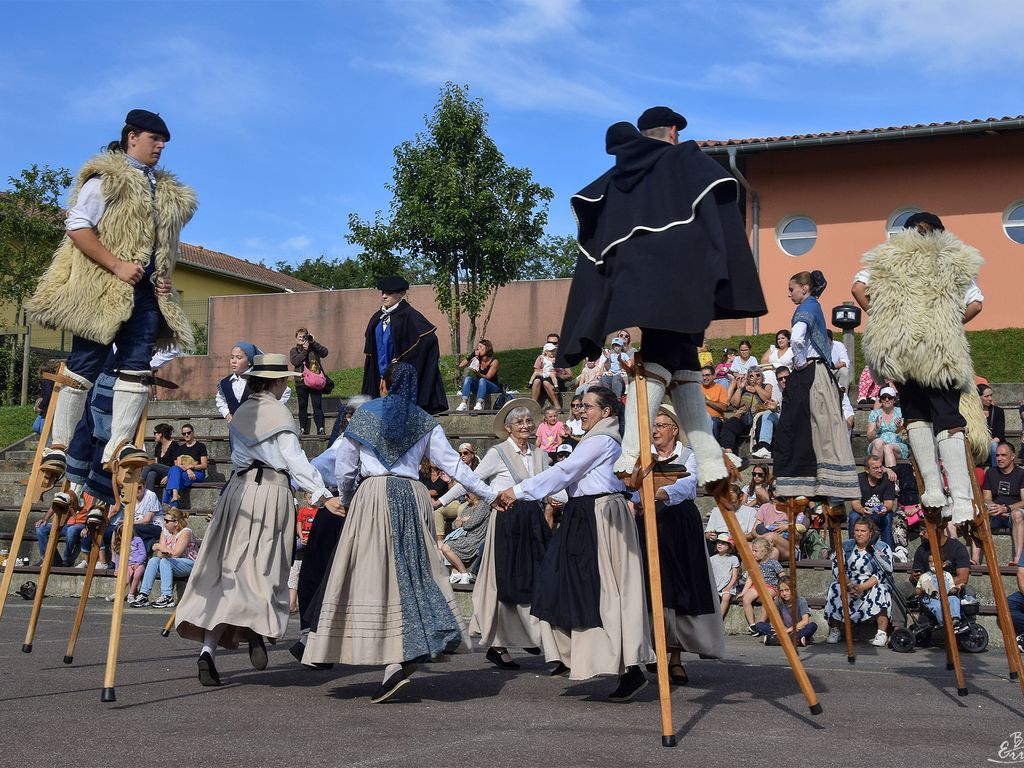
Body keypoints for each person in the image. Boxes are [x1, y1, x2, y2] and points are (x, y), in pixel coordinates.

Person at [556, 106, 766, 492]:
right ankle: (633, 451)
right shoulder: (683, 159)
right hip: (678, 284)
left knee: (683, 362)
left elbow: (598, 234)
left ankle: (706, 457)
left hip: (639, 285)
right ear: (672, 132)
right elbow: (715, 198)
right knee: (659, 359)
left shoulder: (618, 177)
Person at [302, 363, 495, 703]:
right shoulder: (423, 420)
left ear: (382, 384)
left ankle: (386, 657)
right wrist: (491, 494)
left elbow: (346, 468)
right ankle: (405, 653)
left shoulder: (364, 416)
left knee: (371, 577)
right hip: (412, 496)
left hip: (372, 496)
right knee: (412, 575)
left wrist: (348, 498)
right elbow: (453, 465)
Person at [29, 110, 196, 497]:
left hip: (148, 290)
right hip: (104, 289)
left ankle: (120, 444)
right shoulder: (108, 178)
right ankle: (58, 446)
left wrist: (164, 273)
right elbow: (76, 226)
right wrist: (117, 265)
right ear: (131, 137)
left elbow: (159, 247)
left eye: (164, 141)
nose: (160, 146)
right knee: (85, 364)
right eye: (154, 139)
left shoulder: (164, 190)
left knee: (136, 364)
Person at [175, 353, 342, 687]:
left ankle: (210, 649)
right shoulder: (278, 412)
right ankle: (255, 629)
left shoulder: (241, 413)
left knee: (228, 570)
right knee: (264, 570)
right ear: (278, 381)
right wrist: (323, 495)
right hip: (270, 493)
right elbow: (294, 461)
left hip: (237, 492)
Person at [494, 386, 655, 701]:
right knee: (574, 584)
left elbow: (566, 471)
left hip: (599, 516)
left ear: (606, 411)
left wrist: (518, 491)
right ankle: (587, 658)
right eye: (579, 405)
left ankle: (626, 666)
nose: (581, 411)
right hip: (586, 513)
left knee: (600, 590)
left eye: (588, 406)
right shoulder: (599, 439)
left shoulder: (601, 440)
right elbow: (576, 479)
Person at [854, 212, 987, 526]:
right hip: (939, 352)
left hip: (904, 352)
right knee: (949, 419)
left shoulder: (890, 257)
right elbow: (977, 303)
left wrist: (887, 322)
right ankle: (963, 500)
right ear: (939, 233)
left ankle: (933, 492)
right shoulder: (952, 258)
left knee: (916, 417)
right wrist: (949, 325)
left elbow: (858, 287)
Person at [433, 397, 561, 670]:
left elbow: (553, 484)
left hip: (534, 521)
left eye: (528, 421)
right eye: (519, 422)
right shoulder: (498, 453)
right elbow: (470, 480)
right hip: (506, 521)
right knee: (506, 583)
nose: (526, 426)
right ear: (508, 427)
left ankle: (546, 641)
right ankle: (499, 644)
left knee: (543, 579)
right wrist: (441, 502)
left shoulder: (540, 454)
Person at [635, 403, 726, 682]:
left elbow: (686, 486)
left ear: (674, 430)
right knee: (649, 588)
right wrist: (635, 499)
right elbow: (630, 487)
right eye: (653, 426)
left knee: (679, 588)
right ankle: (653, 648)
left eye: (661, 425)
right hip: (648, 523)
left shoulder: (689, 455)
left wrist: (655, 493)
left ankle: (675, 657)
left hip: (679, 527)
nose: (655, 431)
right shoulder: (643, 457)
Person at [772, 270, 859, 500]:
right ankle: (828, 486)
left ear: (804, 288)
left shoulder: (806, 308)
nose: (789, 294)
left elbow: (798, 338)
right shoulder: (814, 307)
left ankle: (807, 486)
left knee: (803, 426)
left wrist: (799, 363)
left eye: (791, 289)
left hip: (811, 374)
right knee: (824, 427)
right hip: (820, 374)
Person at [361, 275, 447, 415]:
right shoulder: (377, 317)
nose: (384, 296)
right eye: (383, 292)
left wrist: (402, 362)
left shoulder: (409, 315)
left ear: (401, 293)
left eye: (389, 293)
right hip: (379, 374)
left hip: (398, 377)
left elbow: (429, 339)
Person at [824, 518, 892, 648]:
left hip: (870, 584)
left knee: (881, 590)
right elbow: (837, 568)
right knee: (835, 588)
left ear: (870, 533)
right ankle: (835, 630)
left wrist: (862, 587)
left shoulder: (882, 547)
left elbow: (883, 572)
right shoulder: (846, 546)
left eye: (863, 531)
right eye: (857, 530)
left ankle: (882, 632)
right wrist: (849, 585)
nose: (859, 534)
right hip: (849, 583)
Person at [134, 507, 197, 608]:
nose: (164, 523)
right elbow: (159, 554)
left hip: (189, 563)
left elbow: (176, 554)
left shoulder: (186, 532)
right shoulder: (165, 531)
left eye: (167, 521)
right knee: (154, 560)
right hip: (171, 563)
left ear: (176, 522)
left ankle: (167, 596)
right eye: (164, 520)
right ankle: (144, 595)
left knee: (164, 561)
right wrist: (163, 550)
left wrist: (160, 547)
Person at [216, 340, 291, 422]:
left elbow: (284, 391)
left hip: (258, 425)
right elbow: (220, 399)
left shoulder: (258, 379)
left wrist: (270, 412)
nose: (234, 361)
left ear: (249, 361)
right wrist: (226, 413)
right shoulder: (225, 383)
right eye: (232, 357)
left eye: (239, 358)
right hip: (235, 427)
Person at [982, 440, 1024, 566]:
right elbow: (987, 498)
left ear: (1012, 457)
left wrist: (1006, 509)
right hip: (995, 513)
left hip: (1012, 513)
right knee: (979, 512)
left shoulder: (1021, 474)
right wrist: (992, 506)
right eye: (997, 455)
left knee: (1017, 514)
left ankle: (1017, 559)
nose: (999, 458)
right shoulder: (990, 473)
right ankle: (975, 558)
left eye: (1003, 455)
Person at [439, 492, 492, 585]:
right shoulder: (468, 507)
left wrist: (462, 521)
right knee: (440, 549)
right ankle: (457, 572)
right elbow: (454, 525)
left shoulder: (483, 505)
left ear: (476, 493)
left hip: (476, 537)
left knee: (445, 548)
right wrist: (464, 520)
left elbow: (470, 524)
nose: (465, 497)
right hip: (465, 536)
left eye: (468, 495)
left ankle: (463, 573)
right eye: (464, 495)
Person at [718, 368, 771, 455]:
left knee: (763, 421)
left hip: (758, 417)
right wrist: (739, 389)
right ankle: (728, 451)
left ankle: (760, 449)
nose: (755, 378)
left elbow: (766, 398)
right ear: (747, 378)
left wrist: (756, 386)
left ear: (762, 377)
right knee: (729, 424)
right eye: (751, 376)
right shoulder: (743, 387)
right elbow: (734, 404)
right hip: (741, 417)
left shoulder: (767, 386)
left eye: (758, 375)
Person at [915, 553, 970, 634]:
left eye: (935, 562)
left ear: (943, 564)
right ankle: (945, 624)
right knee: (938, 606)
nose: (932, 564)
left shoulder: (947, 575)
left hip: (945, 597)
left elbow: (951, 589)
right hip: (930, 599)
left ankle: (955, 620)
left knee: (954, 599)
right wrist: (921, 590)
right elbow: (917, 589)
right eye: (930, 561)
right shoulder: (925, 576)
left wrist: (957, 588)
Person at [850, 456, 897, 548]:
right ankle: (852, 547)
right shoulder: (858, 479)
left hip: (880, 512)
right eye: (875, 468)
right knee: (853, 516)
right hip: (863, 511)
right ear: (867, 470)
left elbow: (889, 503)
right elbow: (855, 503)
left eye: (881, 467)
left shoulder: (888, 479)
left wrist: (884, 509)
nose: (879, 470)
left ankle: (888, 549)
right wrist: (862, 510)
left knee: (888, 516)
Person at [290, 327, 330, 436]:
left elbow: (325, 353)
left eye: (304, 336)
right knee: (302, 405)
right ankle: (303, 428)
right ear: (296, 339)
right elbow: (295, 361)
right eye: (299, 337)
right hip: (301, 382)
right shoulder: (294, 350)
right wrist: (305, 350)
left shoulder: (314, 348)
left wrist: (313, 342)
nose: (302, 339)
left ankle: (320, 429)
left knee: (317, 405)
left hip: (314, 382)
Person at [756, 577, 817, 647]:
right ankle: (795, 641)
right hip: (783, 630)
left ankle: (775, 640)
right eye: (781, 591)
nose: (784, 593)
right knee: (759, 625)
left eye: (787, 590)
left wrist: (788, 631)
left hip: (797, 630)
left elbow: (805, 621)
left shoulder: (801, 601)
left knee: (812, 626)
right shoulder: (778, 601)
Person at [740, 537, 783, 634]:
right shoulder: (753, 564)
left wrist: (781, 590)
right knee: (746, 599)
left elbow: (782, 576)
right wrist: (744, 591)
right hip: (756, 586)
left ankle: (761, 623)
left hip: (770, 586)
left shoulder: (774, 563)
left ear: (764, 552)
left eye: (755, 551)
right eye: (752, 551)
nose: (753, 553)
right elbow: (750, 578)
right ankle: (752, 625)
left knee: (766, 598)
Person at [34, 491, 88, 567]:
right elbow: (56, 505)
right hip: (65, 524)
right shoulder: (71, 490)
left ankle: (67, 559)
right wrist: (45, 519)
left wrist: (87, 527)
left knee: (71, 530)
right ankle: (49, 558)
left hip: (81, 525)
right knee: (41, 528)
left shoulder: (91, 494)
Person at [162, 424, 207, 507]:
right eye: (184, 434)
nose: (186, 435)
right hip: (184, 473)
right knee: (175, 469)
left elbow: (204, 465)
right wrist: (188, 470)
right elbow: (179, 465)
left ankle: (173, 500)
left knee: (173, 475)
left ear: (193, 433)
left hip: (197, 473)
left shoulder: (200, 446)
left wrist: (191, 467)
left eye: (188, 433)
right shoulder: (181, 448)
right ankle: (175, 499)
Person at [751, 366, 789, 458]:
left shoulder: (798, 388)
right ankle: (765, 447)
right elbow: (775, 405)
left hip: (797, 420)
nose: (783, 380)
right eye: (780, 379)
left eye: (786, 377)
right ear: (777, 380)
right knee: (767, 414)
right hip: (783, 419)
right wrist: (774, 408)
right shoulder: (776, 389)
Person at [866, 386, 908, 470]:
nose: (887, 400)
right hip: (878, 446)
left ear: (894, 399)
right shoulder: (874, 414)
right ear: (880, 399)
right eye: (884, 397)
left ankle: (892, 477)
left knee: (888, 447)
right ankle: (878, 473)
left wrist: (900, 428)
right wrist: (876, 429)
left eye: (890, 397)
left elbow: (906, 439)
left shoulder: (901, 412)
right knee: (878, 442)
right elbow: (869, 438)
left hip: (897, 446)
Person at [455, 339, 501, 412]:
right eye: (477, 347)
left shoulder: (494, 361)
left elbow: (488, 377)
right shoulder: (476, 359)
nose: (478, 349)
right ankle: (463, 403)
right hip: (480, 387)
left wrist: (478, 373)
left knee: (482, 380)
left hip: (492, 387)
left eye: (480, 346)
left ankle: (479, 403)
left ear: (487, 348)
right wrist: (472, 354)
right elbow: (461, 365)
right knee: (468, 378)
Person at [110, 524, 147, 604]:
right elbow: (118, 558)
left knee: (137, 575)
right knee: (125, 580)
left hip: (139, 563)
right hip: (127, 564)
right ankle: (118, 593)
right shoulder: (121, 543)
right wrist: (117, 569)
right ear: (119, 536)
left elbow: (143, 554)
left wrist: (137, 563)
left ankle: (131, 594)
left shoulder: (137, 540)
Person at [141, 423, 179, 494]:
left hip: (171, 472)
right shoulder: (158, 446)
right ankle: (150, 499)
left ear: (160, 434)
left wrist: (168, 476)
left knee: (151, 465)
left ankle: (138, 483)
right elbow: (157, 463)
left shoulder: (174, 445)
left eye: (155, 433)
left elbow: (177, 466)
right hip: (160, 473)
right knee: (151, 474)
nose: (154, 435)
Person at [710, 534, 740, 617]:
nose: (719, 544)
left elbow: (734, 575)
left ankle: (719, 617)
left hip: (728, 585)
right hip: (715, 585)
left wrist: (728, 586)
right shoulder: (712, 559)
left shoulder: (733, 559)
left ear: (729, 546)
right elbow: (710, 574)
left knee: (726, 597)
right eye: (718, 542)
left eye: (723, 543)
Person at [700, 365, 729, 441]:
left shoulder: (720, 388)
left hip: (716, 420)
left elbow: (724, 407)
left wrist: (707, 401)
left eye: (707, 375)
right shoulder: (696, 388)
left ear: (714, 376)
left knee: (712, 422)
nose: (704, 378)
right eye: (702, 375)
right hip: (699, 419)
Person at [980, 383, 1005, 465]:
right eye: (986, 396)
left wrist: (989, 443)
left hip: (994, 443)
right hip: (979, 444)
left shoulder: (998, 411)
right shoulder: (973, 413)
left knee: (994, 447)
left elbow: (1000, 435)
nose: (990, 398)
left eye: (991, 395)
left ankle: (995, 472)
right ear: (979, 397)